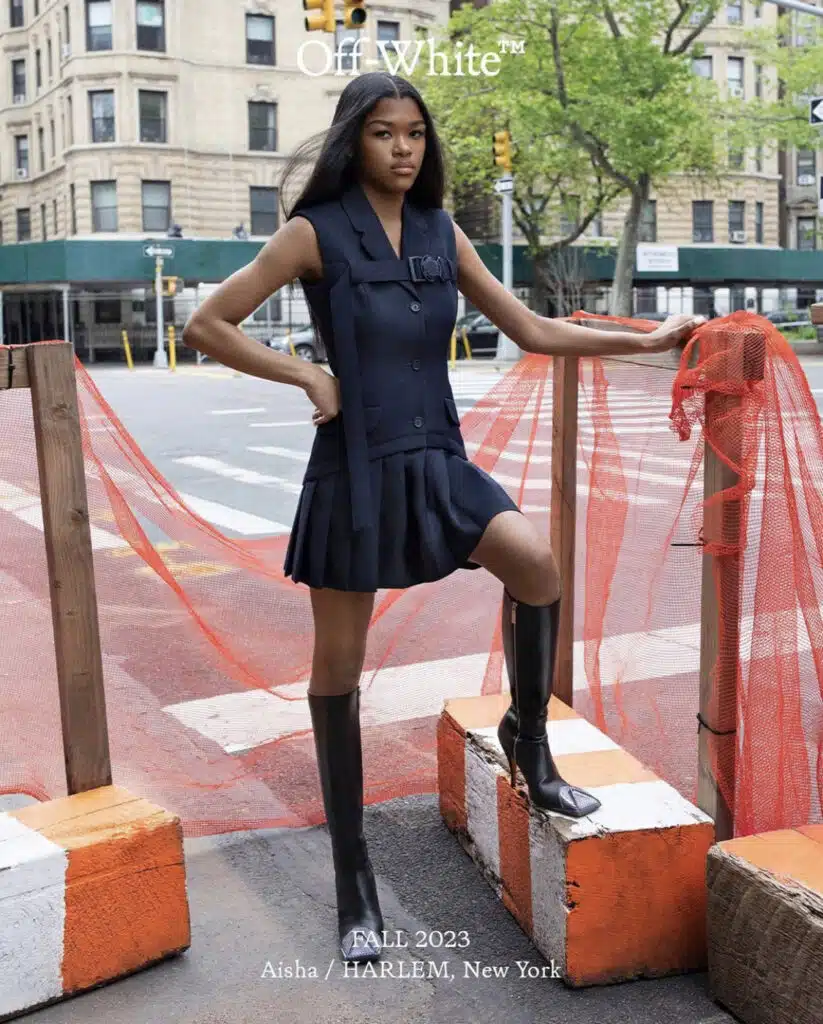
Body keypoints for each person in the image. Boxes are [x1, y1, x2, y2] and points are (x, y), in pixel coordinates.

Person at [183, 72, 703, 967]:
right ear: (355, 140)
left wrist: (643, 340)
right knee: (337, 673)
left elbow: (532, 329)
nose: (402, 148)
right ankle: (354, 881)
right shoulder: (313, 233)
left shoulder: (441, 229)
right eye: (384, 133)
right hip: (353, 472)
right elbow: (207, 323)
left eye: (415, 134)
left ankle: (527, 743)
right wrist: (308, 375)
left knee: (536, 565)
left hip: (436, 461)